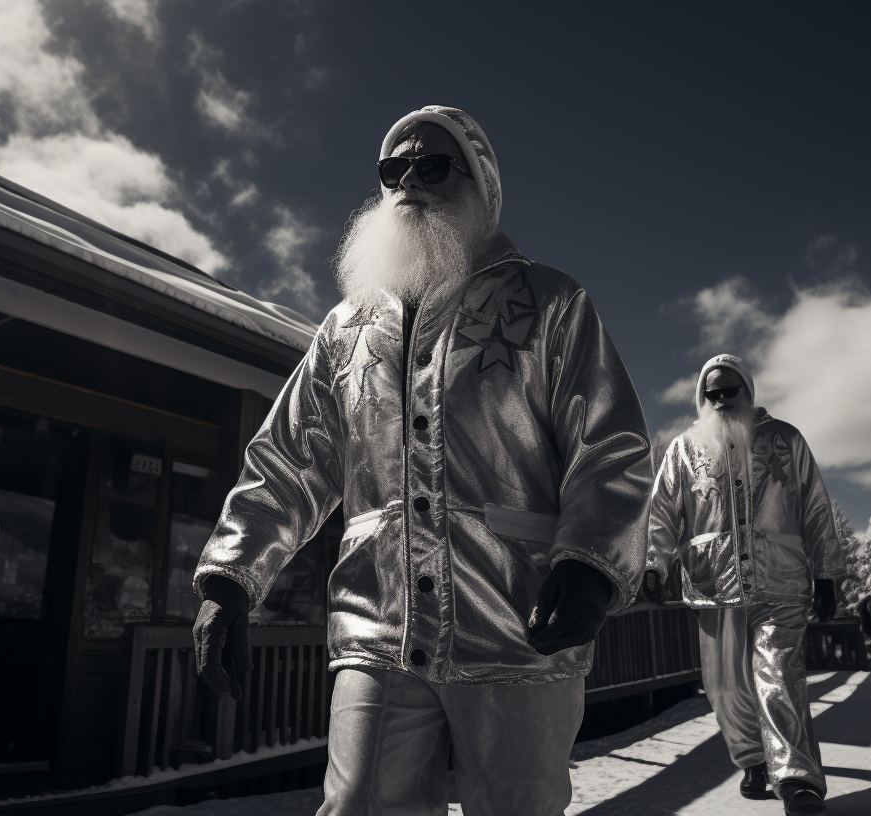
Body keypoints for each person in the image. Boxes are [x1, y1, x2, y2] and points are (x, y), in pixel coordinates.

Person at [191, 105, 653, 816]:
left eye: (431, 165)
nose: (408, 179)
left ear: (482, 184)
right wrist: (231, 578)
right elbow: (288, 459)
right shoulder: (344, 333)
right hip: (377, 626)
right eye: (392, 169)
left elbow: (610, 447)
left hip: (514, 624)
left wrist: (591, 563)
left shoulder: (550, 303)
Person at [643, 354, 843, 816]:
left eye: (729, 390)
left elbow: (815, 506)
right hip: (713, 584)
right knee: (726, 686)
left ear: (748, 392)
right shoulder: (684, 450)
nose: (720, 400)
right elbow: (662, 514)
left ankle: (798, 782)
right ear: (701, 398)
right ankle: (753, 758)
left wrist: (828, 571)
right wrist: (654, 565)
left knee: (778, 676)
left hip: (782, 580)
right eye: (711, 394)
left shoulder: (785, 440)